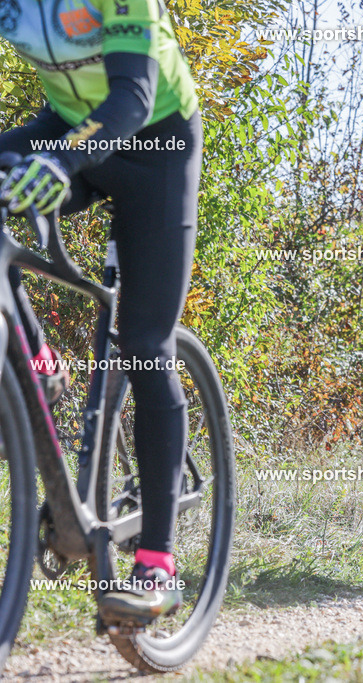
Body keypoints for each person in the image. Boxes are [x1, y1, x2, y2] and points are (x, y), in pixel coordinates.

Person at [0, 0, 202, 623]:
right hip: (65, 127)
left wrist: (62, 160)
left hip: (154, 145)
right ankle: (36, 359)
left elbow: (134, 97)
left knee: (144, 342)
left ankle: (157, 563)